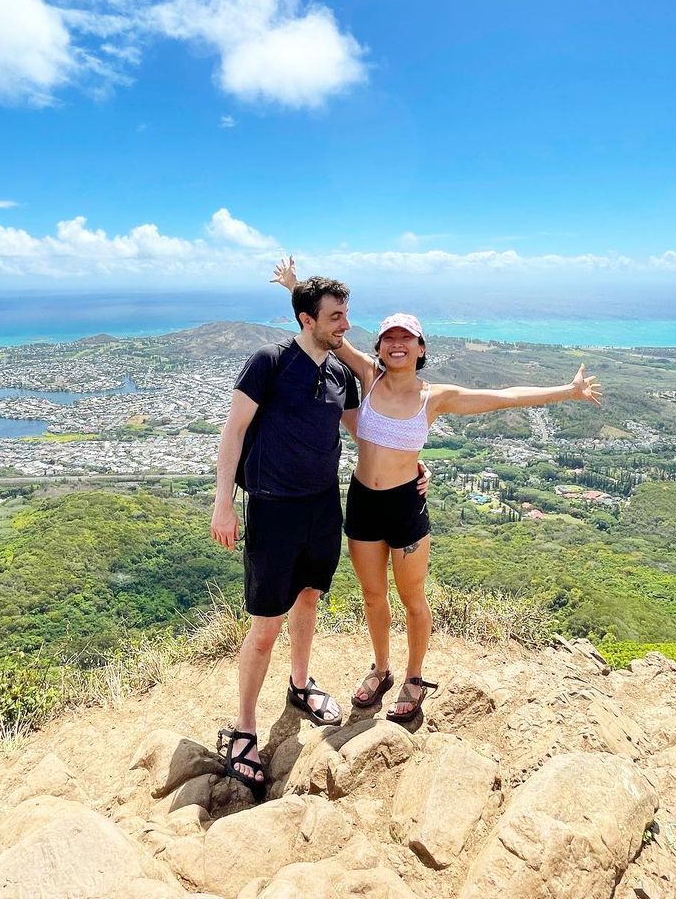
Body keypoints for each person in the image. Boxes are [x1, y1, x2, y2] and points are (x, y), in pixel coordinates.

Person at [273, 257, 602, 724]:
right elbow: (320, 325)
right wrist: (293, 286)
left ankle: (414, 676)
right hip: (363, 502)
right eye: (389, 338)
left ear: (421, 347)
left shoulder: (435, 396)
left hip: (406, 505)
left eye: (406, 338)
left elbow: (504, 397)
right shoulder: (366, 374)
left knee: (412, 598)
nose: (397, 344)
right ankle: (381, 669)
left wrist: (567, 391)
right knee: (372, 596)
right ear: (379, 347)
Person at [210, 273, 428, 799]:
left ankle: (300, 684)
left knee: (309, 597)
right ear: (307, 320)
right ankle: (244, 728)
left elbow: (367, 431)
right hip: (273, 507)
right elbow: (234, 430)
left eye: (345, 315)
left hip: (323, 504)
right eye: (336, 317)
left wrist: (412, 464)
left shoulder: (339, 373)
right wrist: (223, 503)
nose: (346, 325)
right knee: (266, 625)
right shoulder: (270, 361)